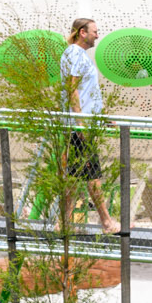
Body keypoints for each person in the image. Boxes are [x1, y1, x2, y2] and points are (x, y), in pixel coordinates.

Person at [60, 16, 116, 235]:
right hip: (78, 127)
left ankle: (63, 222)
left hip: (82, 124)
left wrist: (101, 116)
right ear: (82, 32)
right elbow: (72, 88)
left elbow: (87, 93)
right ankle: (106, 222)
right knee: (92, 175)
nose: (97, 35)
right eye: (94, 31)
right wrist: (81, 123)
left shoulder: (79, 55)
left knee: (75, 177)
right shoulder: (75, 53)